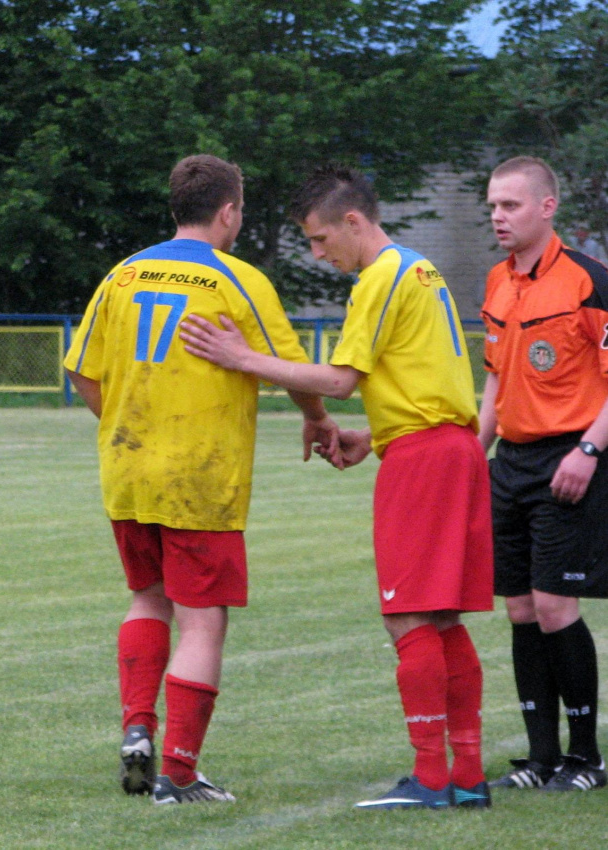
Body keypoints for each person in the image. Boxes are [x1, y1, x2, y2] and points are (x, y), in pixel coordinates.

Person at [179, 163, 494, 810]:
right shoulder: (421, 267)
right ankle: (466, 774)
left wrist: (243, 358)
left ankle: (433, 778)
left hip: (426, 462)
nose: (319, 255)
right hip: (449, 448)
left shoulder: (379, 278)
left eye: (321, 240)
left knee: (407, 616)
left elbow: (340, 381)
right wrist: (375, 438)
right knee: (442, 618)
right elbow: (425, 382)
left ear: (354, 222)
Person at [64, 154, 339, 806]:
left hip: (129, 470)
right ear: (228, 212)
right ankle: (179, 774)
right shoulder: (237, 281)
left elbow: (82, 370)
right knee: (202, 622)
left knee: (147, 599)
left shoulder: (122, 275)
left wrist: (127, 424)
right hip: (200, 476)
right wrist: (319, 420)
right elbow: (288, 368)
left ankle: (138, 727)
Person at [479, 155, 608, 792]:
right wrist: (476, 454)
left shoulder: (590, 281)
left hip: (572, 457)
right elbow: (496, 378)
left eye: (511, 205)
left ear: (547, 207)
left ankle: (585, 759)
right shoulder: (497, 282)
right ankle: (539, 759)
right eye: (493, 206)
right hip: (512, 461)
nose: (498, 216)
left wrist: (588, 452)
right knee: (522, 609)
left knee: (558, 605)